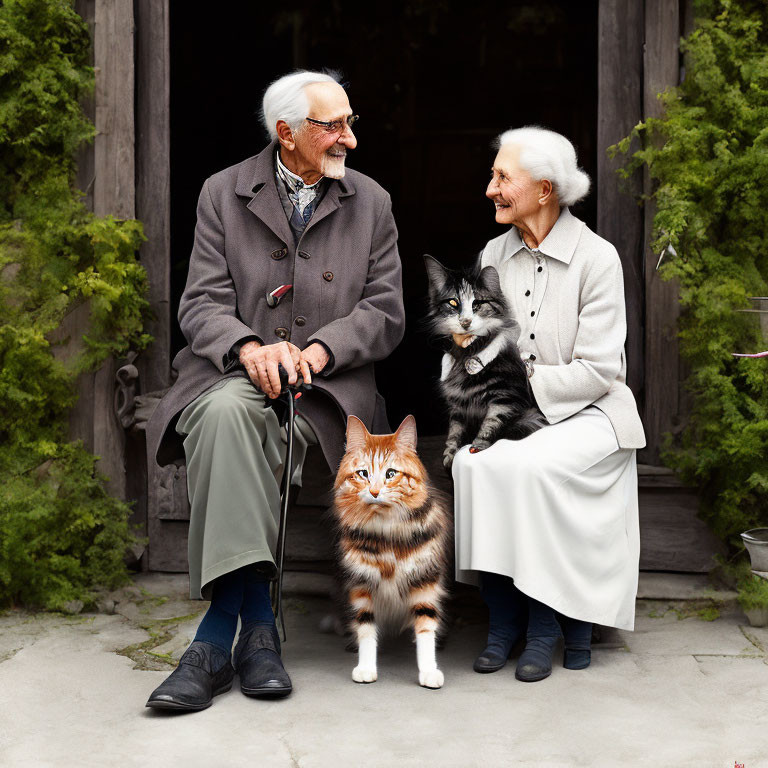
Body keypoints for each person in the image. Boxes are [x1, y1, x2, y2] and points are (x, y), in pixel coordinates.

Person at [144, 70, 405, 710]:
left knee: (247, 428)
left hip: (328, 390)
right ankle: (256, 631)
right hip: (236, 373)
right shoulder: (221, 193)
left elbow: (386, 311)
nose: (349, 137)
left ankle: (217, 640)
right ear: (286, 134)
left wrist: (319, 350)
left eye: (351, 122)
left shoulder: (372, 202)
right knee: (228, 415)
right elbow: (200, 301)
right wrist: (249, 348)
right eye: (333, 126)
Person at [452, 126, 646, 682]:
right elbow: (478, 343)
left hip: (594, 413)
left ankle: (545, 624)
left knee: (531, 467)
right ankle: (504, 618)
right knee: (471, 462)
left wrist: (519, 383)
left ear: (543, 189)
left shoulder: (596, 258)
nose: (490, 188)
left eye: (502, 177)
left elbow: (598, 370)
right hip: (518, 408)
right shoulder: (495, 252)